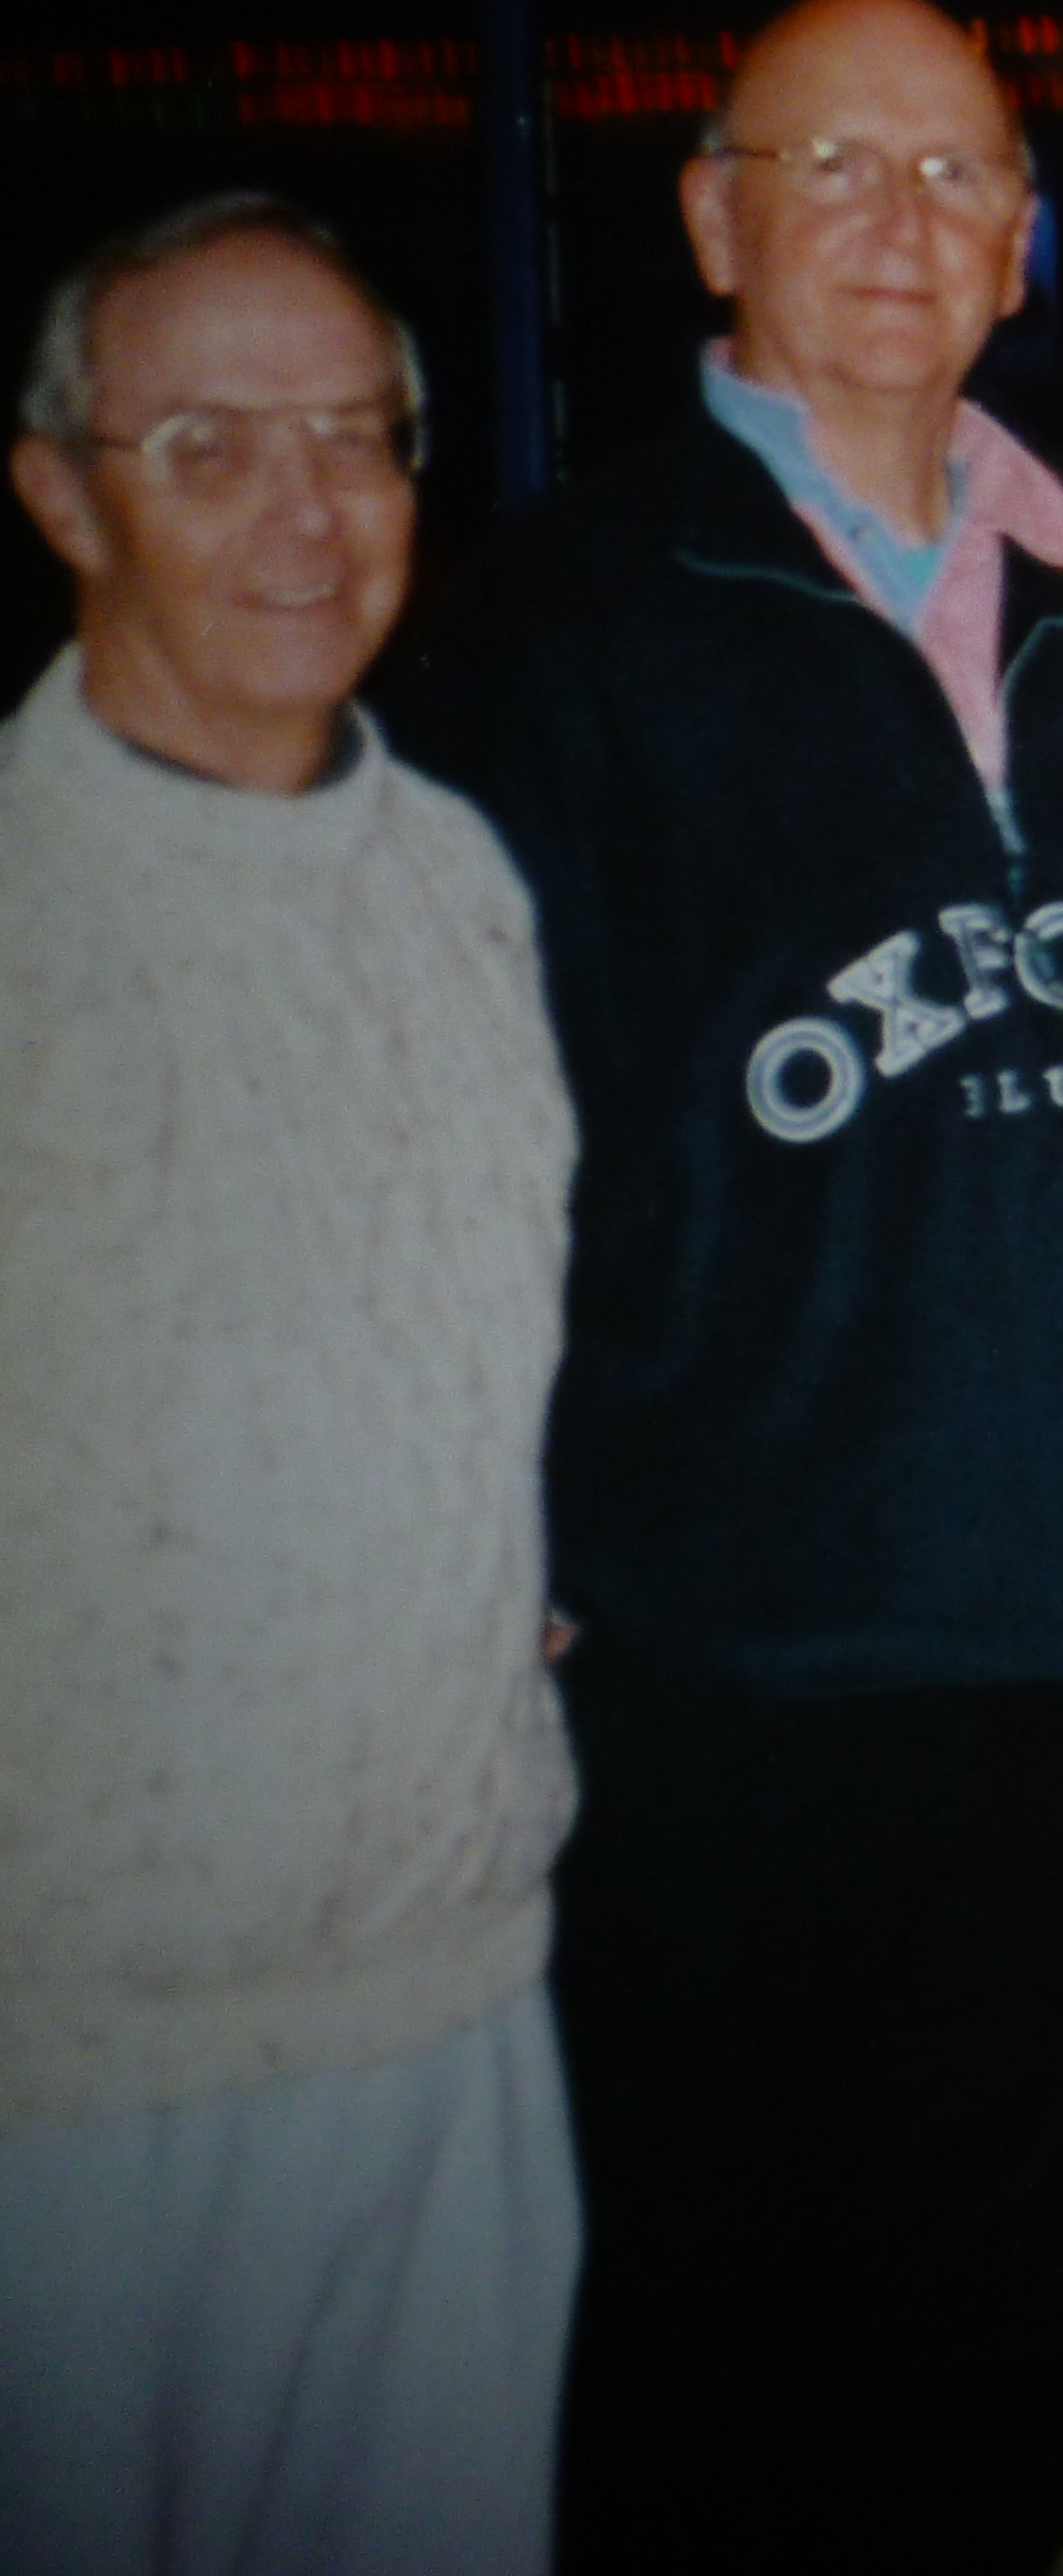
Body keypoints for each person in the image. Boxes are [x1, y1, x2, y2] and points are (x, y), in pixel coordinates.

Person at [386, 0, 1063, 2574]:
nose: (902, 227)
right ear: (712, 217)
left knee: (1025, 2369)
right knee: (713, 2376)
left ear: (1027, 238)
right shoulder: (561, 629)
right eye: (834, 169)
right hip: (755, 1681)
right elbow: (454, 1153)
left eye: (951, 178)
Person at [0, 196, 582, 2576]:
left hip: (452, 1997)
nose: (305, 514)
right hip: (75, 2066)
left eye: (354, 439)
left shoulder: (456, 878)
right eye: (210, 446)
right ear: (63, 491)